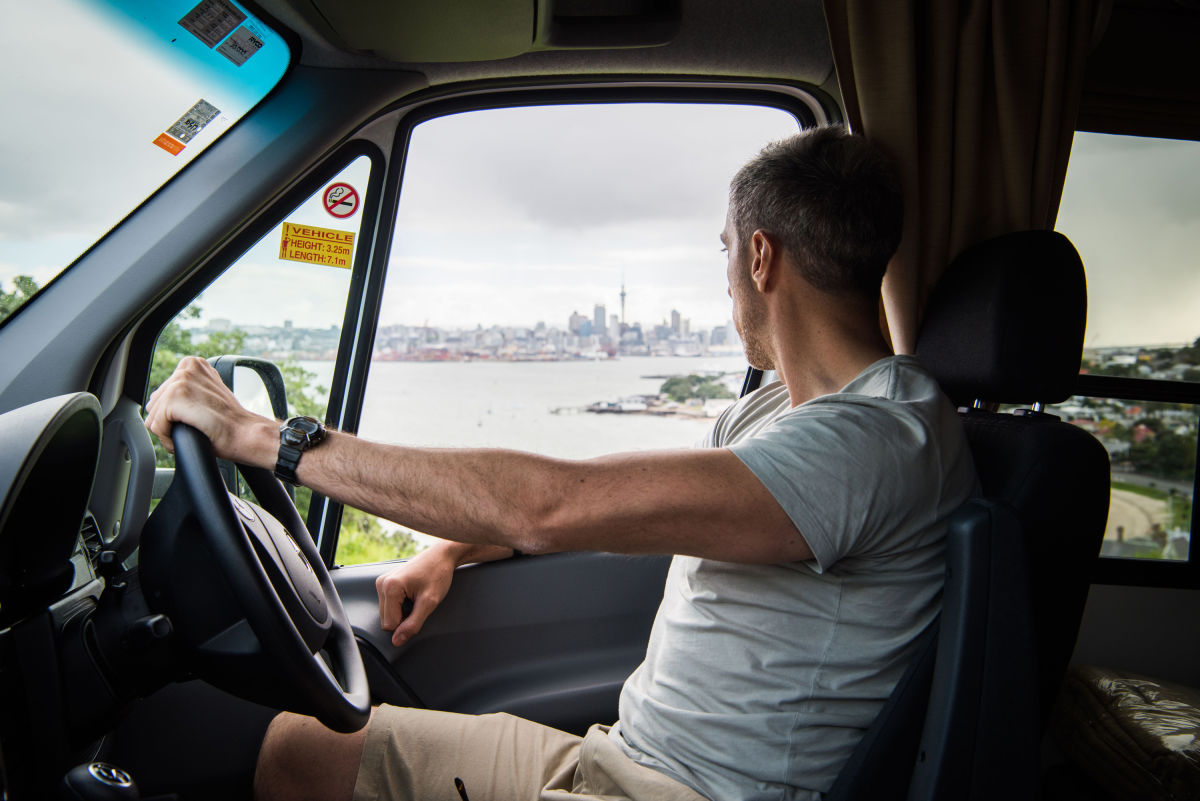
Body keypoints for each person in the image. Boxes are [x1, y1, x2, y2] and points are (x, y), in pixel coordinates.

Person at [145, 125, 978, 801]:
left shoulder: (875, 440)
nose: (727, 282)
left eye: (725, 252)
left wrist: (266, 438)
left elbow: (550, 503)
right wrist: (454, 548)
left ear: (760, 258)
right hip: (621, 757)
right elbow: (618, 507)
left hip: (686, 792)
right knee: (305, 751)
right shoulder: (781, 413)